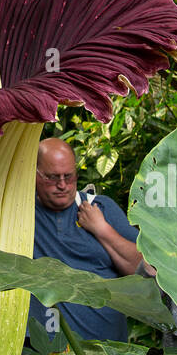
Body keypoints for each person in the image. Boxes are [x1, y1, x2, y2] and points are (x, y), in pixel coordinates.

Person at [29, 136, 142, 343]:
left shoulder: (100, 207)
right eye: (52, 178)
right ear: (34, 174)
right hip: (45, 352)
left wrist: (102, 229)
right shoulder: (22, 214)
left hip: (108, 349)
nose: (62, 185)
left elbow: (142, 269)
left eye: (69, 176)